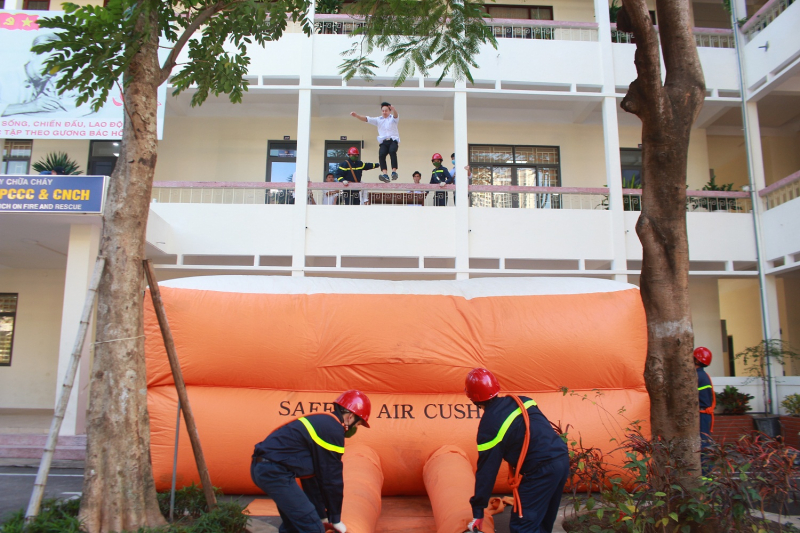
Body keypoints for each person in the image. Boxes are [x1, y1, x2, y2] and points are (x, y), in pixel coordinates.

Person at [251, 390, 372, 533]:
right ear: (351, 416)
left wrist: (323, 515)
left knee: (294, 526)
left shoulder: (323, 423)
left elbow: (312, 479)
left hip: (265, 468)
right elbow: (331, 478)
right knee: (312, 527)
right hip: (274, 472)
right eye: (358, 424)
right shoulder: (333, 430)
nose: (355, 429)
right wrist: (336, 519)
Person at [465, 368, 569, 533]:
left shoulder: (489, 426)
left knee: (523, 526)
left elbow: (487, 472)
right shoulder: (523, 401)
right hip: (561, 459)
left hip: (541, 470)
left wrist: (478, 511)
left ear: (472, 398)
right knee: (541, 522)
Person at [350, 102, 400, 183]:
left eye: (386, 110)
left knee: (392, 151)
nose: (384, 112)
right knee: (381, 154)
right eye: (383, 111)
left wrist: (394, 110)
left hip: (393, 140)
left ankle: (394, 171)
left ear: (389, 111)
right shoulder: (378, 120)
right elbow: (367, 119)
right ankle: (385, 174)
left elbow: (396, 115)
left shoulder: (393, 119)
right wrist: (357, 116)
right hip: (384, 141)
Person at [695, 347, 715, 455]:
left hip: (702, 414)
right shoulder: (703, 375)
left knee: (703, 444)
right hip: (704, 414)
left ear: (697, 360)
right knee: (704, 442)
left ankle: (706, 470)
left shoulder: (697, 376)